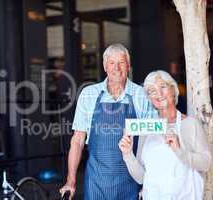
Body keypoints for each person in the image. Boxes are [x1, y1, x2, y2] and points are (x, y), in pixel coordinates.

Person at [59, 44, 156, 200]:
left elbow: (153, 140)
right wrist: (71, 180)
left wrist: (148, 184)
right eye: (112, 63)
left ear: (129, 66)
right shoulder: (89, 94)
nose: (116, 68)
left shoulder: (142, 95)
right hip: (97, 182)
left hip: (132, 182)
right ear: (105, 66)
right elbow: (77, 141)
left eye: (122, 62)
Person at [119, 70, 212, 200]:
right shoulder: (146, 129)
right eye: (152, 91)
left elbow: (206, 163)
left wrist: (180, 151)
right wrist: (128, 155)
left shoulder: (190, 124)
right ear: (150, 99)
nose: (159, 94)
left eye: (163, 87)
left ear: (173, 90)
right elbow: (141, 178)